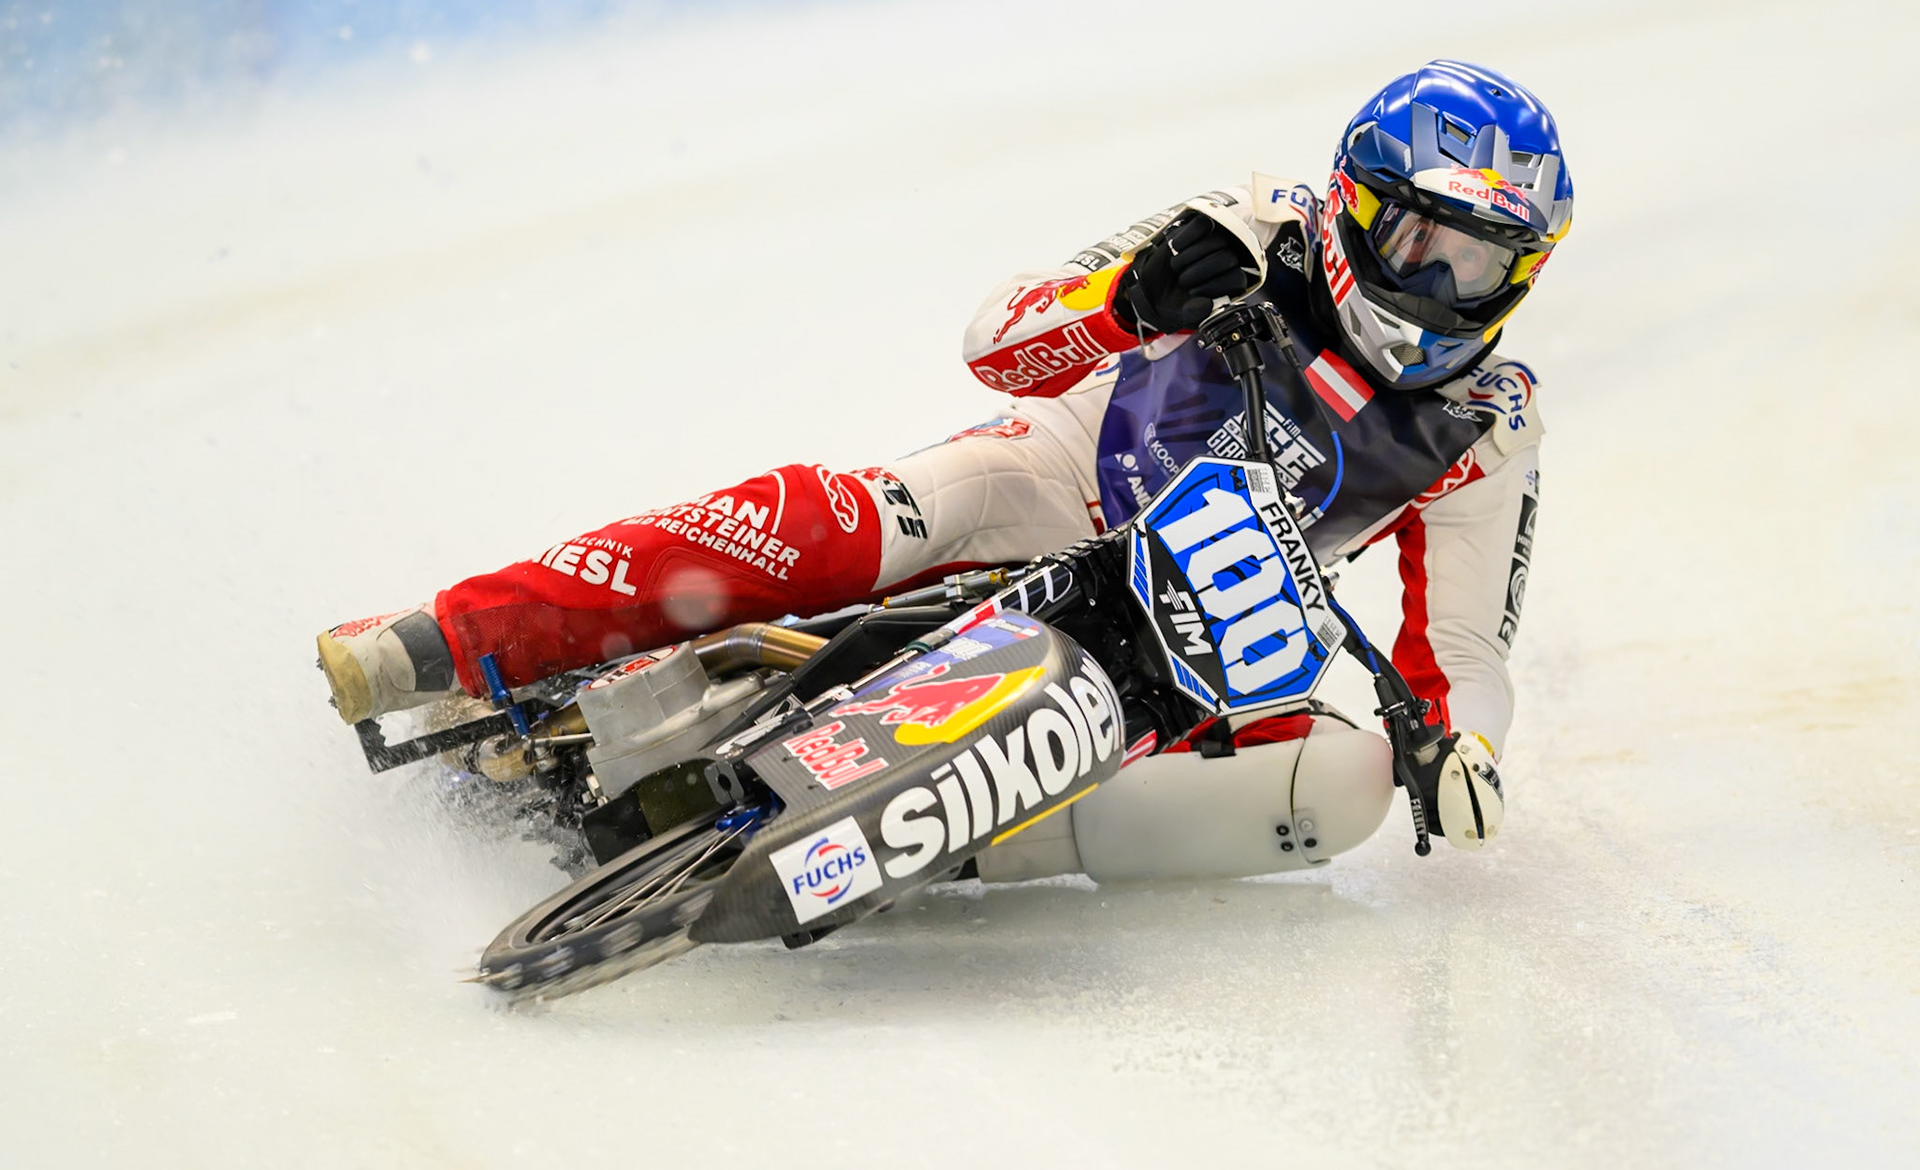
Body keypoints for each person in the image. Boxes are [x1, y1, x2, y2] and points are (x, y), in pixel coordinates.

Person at [318, 59, 1571, 881]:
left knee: (1339, 790)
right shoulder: (1245, 228)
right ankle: (451, 635)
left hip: (1217, 627)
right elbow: (999, 342)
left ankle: (952, 845)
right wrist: (1127, 301)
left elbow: (1463, 655)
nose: (1444, 284)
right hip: (1060, 478)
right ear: (1355, 204)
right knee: (851, 513)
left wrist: (1461, 751)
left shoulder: (1486, 420)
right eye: (1421, 235)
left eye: (1484, 260)